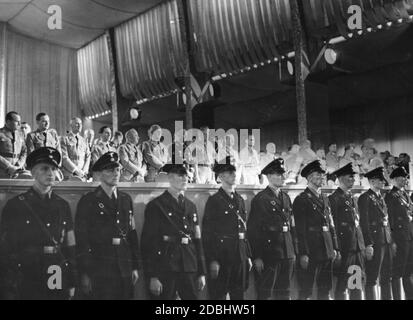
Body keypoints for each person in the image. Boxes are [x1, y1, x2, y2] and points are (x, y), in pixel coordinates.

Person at [0, 147, 76, 300]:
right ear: (33, 172)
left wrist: (72, 281)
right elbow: (5, 250)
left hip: (55, 271)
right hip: (26, 273)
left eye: (54, 169)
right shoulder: (16, 205)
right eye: (44, 168)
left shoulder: (62, 206)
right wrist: (8, 287)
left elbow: (70, 246)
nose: (50, 173)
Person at [75, 152, 140, 300]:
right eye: (110, 170)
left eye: (117, 170)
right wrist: (85, 273)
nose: (115, 174)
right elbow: (82, 240)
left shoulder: (125, 199)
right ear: (99, 174)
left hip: (124, 267)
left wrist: (135, 266)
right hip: (100, 268)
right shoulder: (88, 201)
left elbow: (132, 234)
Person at [141, 164, 206, 300]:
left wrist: (201, 272)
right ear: (170, 178)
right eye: (180, 175)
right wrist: (153, 276)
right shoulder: (156, 205)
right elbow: (149, 243)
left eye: (186, 175)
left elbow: (197, 240)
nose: (185, 178)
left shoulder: (190, 206)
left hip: (188, 264)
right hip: (165, 265)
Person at [202, 159, 252, 300]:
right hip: (222, 255)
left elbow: (244, 229)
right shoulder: (215, 200)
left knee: (238, 295)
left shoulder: (240, 200)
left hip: (239, 254)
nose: (234, 175)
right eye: (230, 173)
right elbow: (208, 233)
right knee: (219, 295)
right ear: (221, 176)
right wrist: (213, 260)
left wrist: (247, 255)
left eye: (234, 172)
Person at [247, 159, 297, 300]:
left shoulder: (286, 197)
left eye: (283, 174)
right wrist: (257, 256)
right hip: (269, 254)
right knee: (266, 294)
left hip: (287, 253)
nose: (283, 177)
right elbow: (254, 230)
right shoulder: (261, 199)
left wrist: (294, 251)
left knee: (285, 293)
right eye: (278, 174)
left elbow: (291, 227)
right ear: (269, 176)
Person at [293, 160, 340, 300]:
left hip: (327, 248)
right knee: (306, 289)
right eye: (317, 175)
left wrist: (335, 247)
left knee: (325, 288)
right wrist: (303, 253)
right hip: (312, 249)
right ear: (309, 178)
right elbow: (299, 230)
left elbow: (331, 224)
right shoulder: (301, 199)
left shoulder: (325, 198)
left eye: (322, 175)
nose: (321, 178)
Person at [329, 163, 366, 300]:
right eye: (350, 177)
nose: (353, 180)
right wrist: (336, 248)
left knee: (356, 284)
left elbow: (357, 223)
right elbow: (334, 226)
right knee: (343, 283)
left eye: (353, 177)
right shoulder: (334, 198)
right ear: (341, 179)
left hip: (356, 246)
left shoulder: (351, 198)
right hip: (345, 247)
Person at [358, 167, 394, 300]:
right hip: (375, 241)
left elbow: (386, 220)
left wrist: (390, 239)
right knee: (372, 277)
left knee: (386, 275)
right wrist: (368, 244)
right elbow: (364, 223)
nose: (383, 182)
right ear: (372, 181)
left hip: (385, 240)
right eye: (380, 180)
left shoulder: (380, 197)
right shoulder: (365, 198)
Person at [385, 167, 413, 300]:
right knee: (398, 272)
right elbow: (390, 220)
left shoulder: (405, 194)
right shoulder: (391, 196)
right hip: (400, 238)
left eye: (406, 178)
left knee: (408, 271)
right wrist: (393, 241)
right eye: (402, 178)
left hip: (409, 236)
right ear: (395, 179)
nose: (405, 180)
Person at [0, 112, 27, 179]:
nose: (19, 124)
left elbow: (24, 151)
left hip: (17, 171)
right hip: (2, 170)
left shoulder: (20, 134)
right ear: (8, 122)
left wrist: (19, 164)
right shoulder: (1, 133)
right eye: (17, 121)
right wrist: (9, 166)